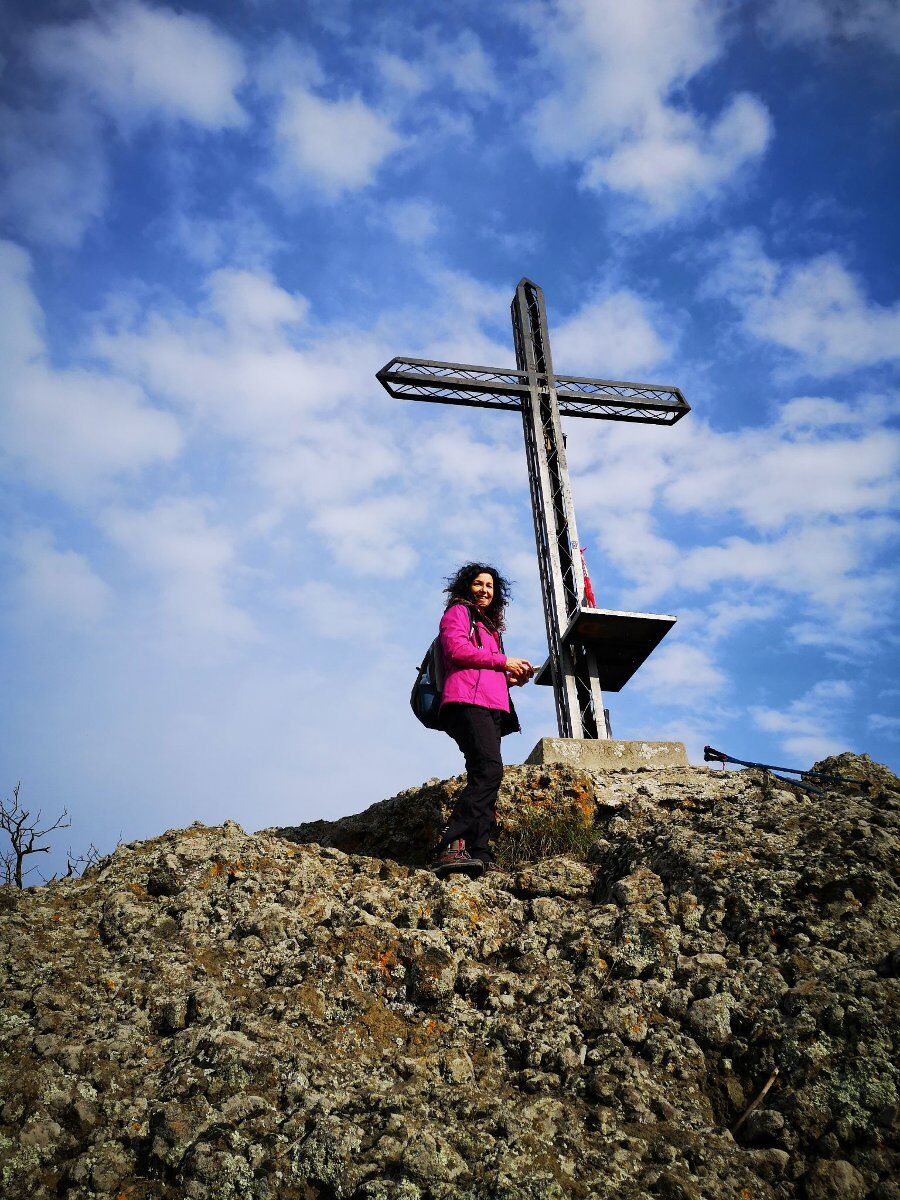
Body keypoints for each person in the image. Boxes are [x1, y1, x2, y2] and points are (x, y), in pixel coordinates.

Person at [431, 563, 534, 877]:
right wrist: (504, 662)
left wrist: (509, 678)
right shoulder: (458, 613)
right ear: (467, 586)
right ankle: (451, 845)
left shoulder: (490, 629)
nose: (484, 590)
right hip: (466, 701)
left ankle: (480, 851)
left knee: (486, 773)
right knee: (489, 770)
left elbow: (483, 668)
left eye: (490, 586)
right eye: (478, 583)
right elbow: (457, 651)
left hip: (487, 704)